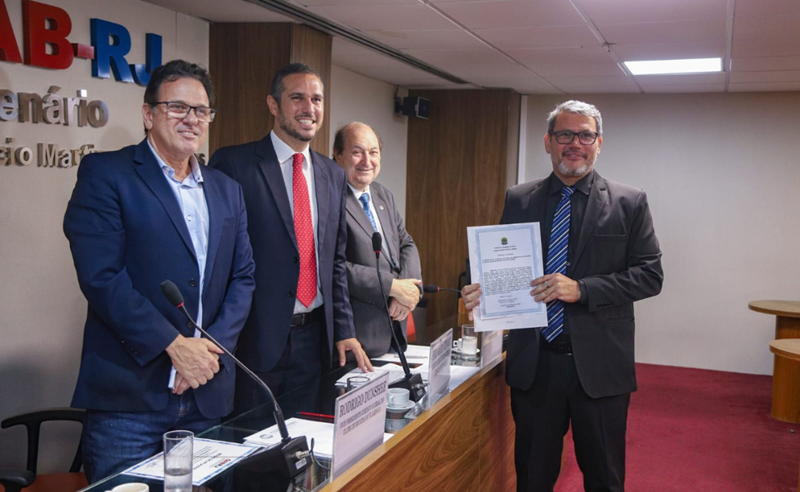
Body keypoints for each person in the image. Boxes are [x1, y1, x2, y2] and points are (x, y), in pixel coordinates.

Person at [63, 60, 255, 482]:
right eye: (177, 107)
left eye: (201, 110)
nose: (191, 119)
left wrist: (209, 351)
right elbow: (102, 277)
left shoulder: (227, 190)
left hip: (208, 393)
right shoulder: (106, 174)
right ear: (148, 114)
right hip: (129, 401)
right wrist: (173, 344)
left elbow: (243, 277)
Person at [461, 100, 663, 492]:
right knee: (532, 478)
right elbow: (503, 265)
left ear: (598, 143)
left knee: (604, 478)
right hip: (536, 367)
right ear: (548, 142)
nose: (575, 143)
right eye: (564, 134)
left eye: (585, 135)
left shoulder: (629, 201)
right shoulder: (520, 198)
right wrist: (482, 287)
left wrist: (582, 289)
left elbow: (649, 276)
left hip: (600, 368)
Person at [209, 63, 371, 412]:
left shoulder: (332, 174)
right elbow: (219, 263)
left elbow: (335, 263)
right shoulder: (234, 165)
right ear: (273, 104)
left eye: (317, 99)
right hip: (255, 342)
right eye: (297, 98)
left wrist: (344, 329)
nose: (309, 108)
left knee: (306, 450)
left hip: (316, 341)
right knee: (256, 452)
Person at [332, 122, 422, 357]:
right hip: (356, 339)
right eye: (357, 151)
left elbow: (406, 243)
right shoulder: (329, 199)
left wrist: (407, 288)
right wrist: (392, 286)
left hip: (394, 332)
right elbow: (333, 266)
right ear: (338, 154)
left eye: (373, 152)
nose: (366, 160)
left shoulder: (383, 194)